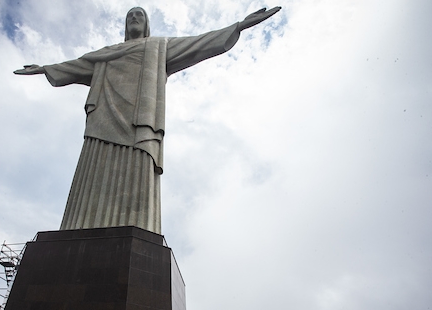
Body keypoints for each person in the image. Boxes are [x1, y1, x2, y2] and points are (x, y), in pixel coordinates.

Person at [14, 6, 281, 234]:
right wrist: (43, 69)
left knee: (137, 172)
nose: (134, 18)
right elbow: (74, 66)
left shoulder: (158, 47)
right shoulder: (106, 53)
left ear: (147, 24)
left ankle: (135, 227)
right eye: (130, 15)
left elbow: (198, 43)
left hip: (140, 125)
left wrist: (239, 26)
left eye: (139, 15)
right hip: (103, 120)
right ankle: (80, 228)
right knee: (94, 173)